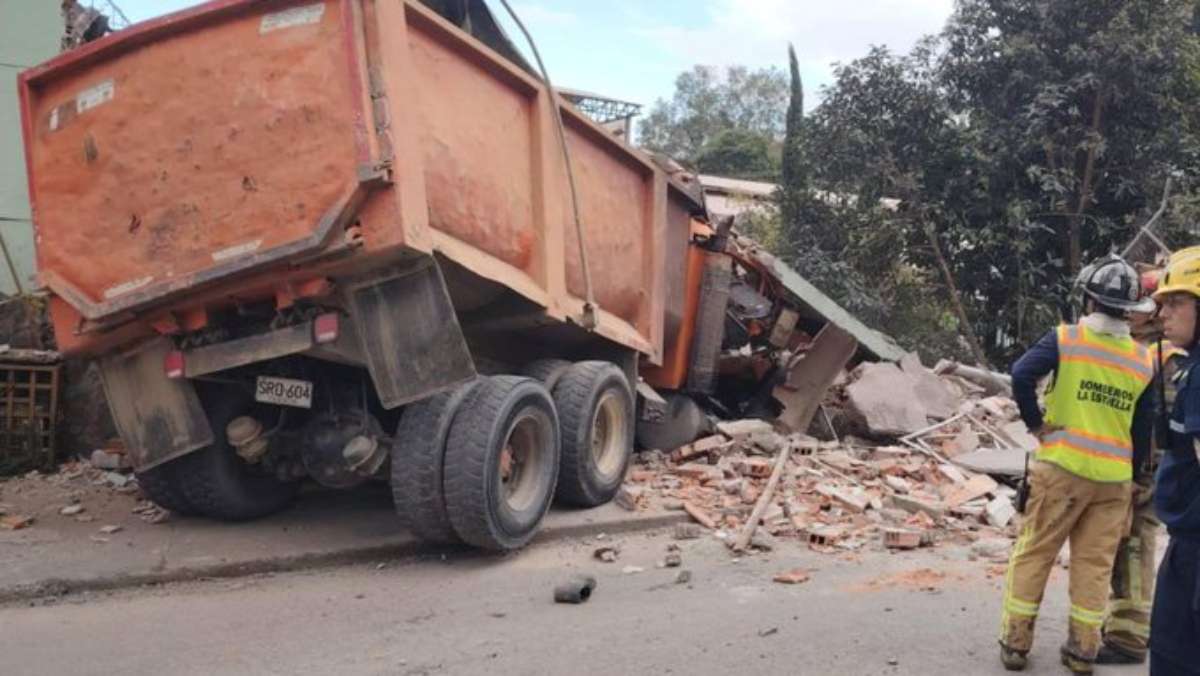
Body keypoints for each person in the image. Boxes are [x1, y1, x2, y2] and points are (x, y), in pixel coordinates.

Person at [1000, 254, 1157, 674]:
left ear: (1088, 300)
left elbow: (1020, 374)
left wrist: (1037, 425)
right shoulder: (1144, 361)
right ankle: (1082, 652)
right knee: (1094, 566)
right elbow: (1144, 431)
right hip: (1113, 482)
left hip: (1061, 469)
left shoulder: (1066, 339)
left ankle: (1016, 644)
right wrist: (1137, 476)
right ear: (1130, 310)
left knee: (1034, 553)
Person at [1146, 253, 1200, 675]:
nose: (1162, 313)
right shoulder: (1189, 368)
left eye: (1175, 302)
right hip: (1186, 540)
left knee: (1175, 656)